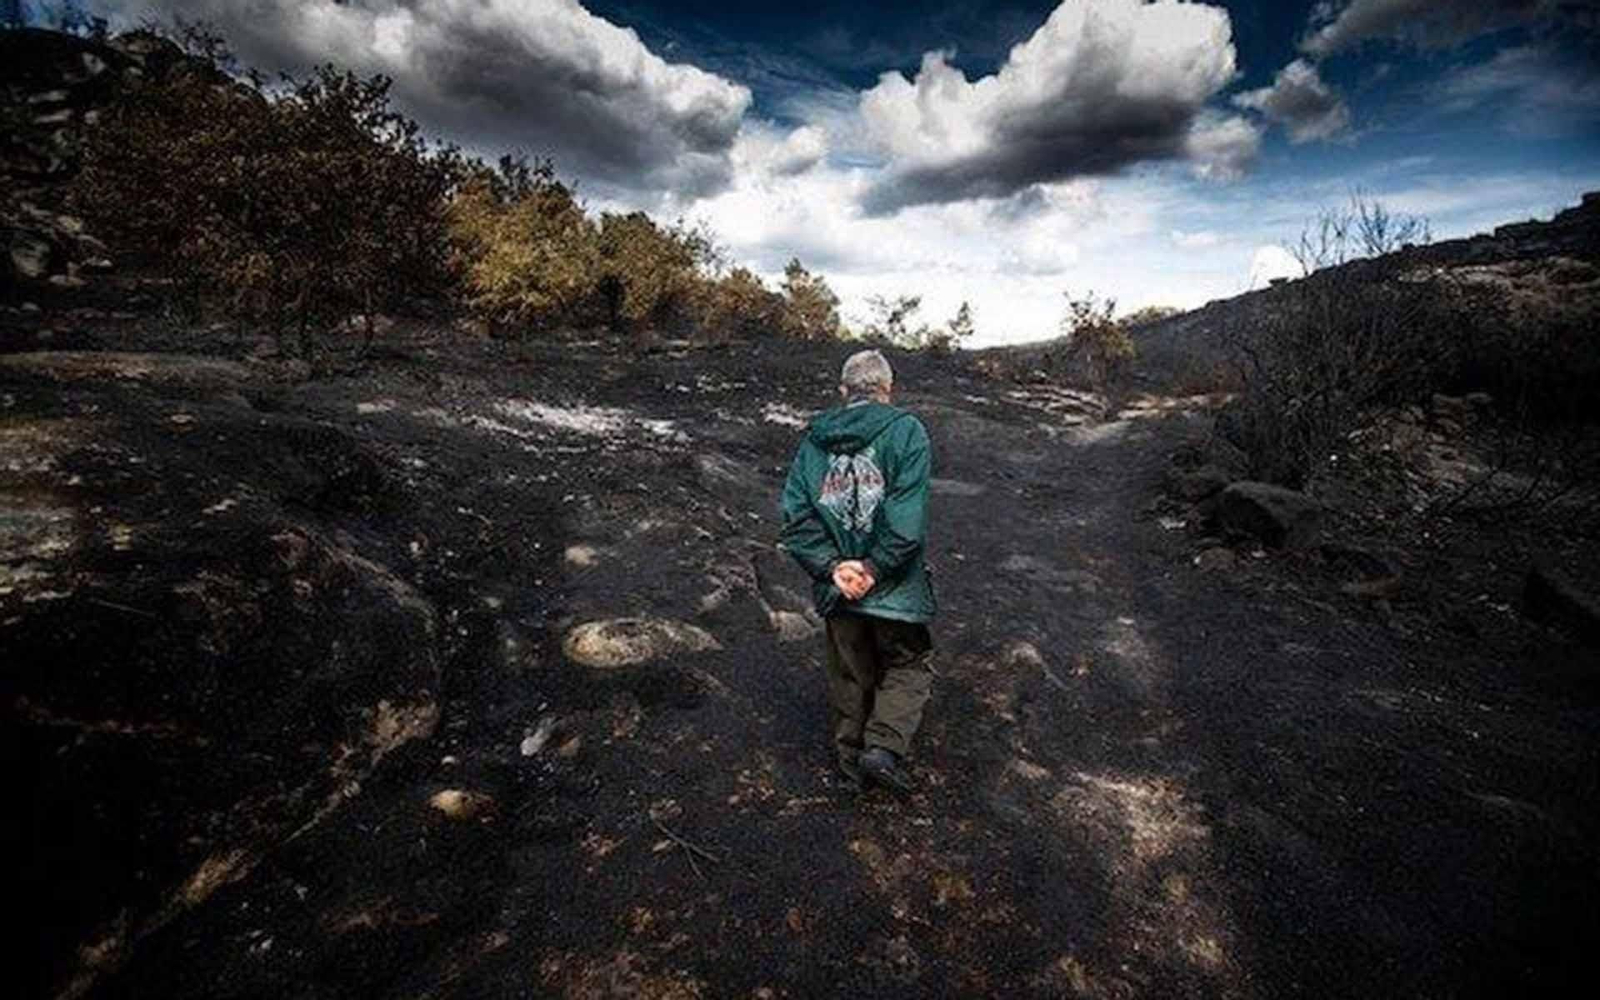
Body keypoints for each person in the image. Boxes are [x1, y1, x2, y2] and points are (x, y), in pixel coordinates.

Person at [779, 349, 935, 794]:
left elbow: (797, 518)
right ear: (888, 389)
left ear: (843, 391)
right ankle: (882, 749)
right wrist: (873, 567)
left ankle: (851, 770)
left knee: (850, 673)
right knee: (908, 663)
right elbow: (905, 520)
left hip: (839, 586)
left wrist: (834, 569)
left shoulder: (813, 442)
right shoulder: (906, 431)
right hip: (893, 586)